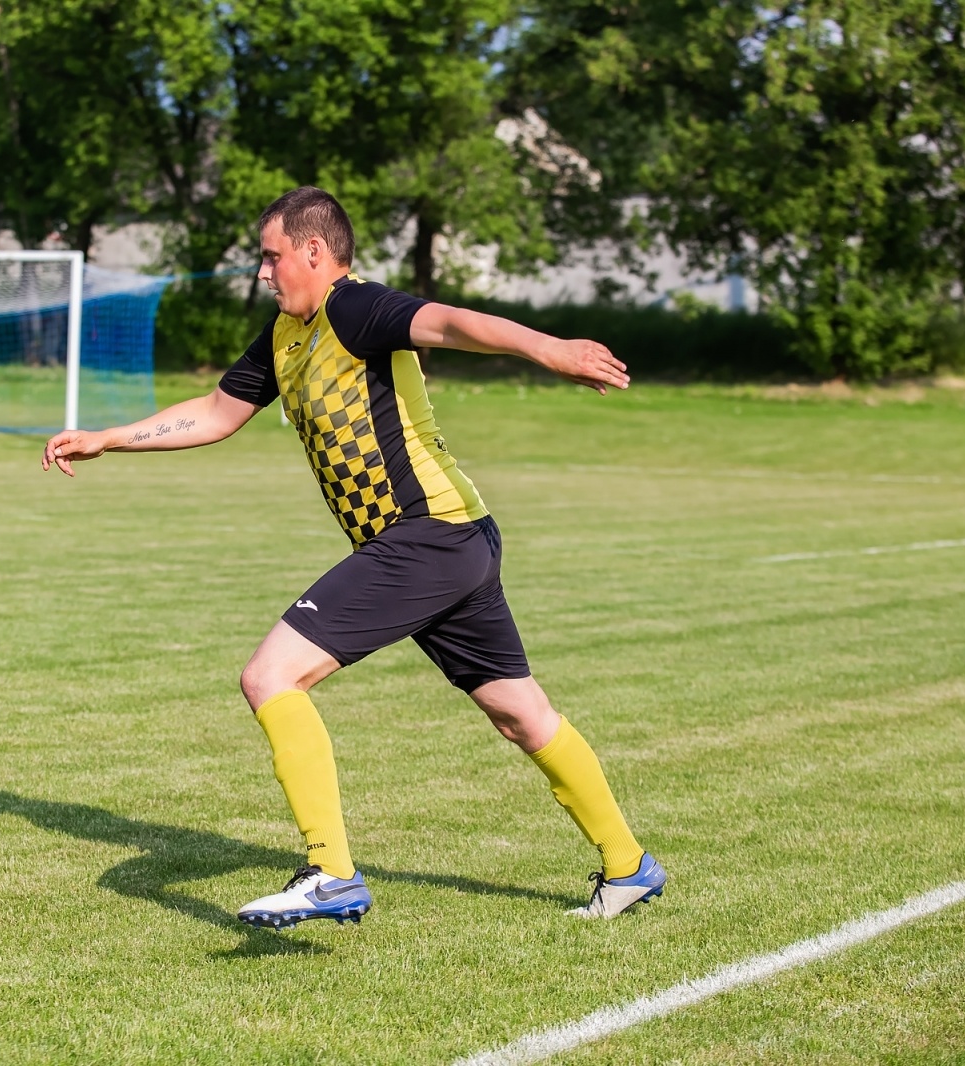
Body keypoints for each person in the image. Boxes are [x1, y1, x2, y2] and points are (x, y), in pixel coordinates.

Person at [41, 187, 663, 928]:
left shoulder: (353, 307)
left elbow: (449, 321)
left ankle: (330, 871)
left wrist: (547, 348)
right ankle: (629, 867)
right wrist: (107, 437)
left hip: (425, 533)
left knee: (270, 675)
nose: (265, 272)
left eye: (273, 256)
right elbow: (215, 413)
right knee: (520, 714)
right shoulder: (283, 334)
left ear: (314, 251)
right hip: (454, 537)